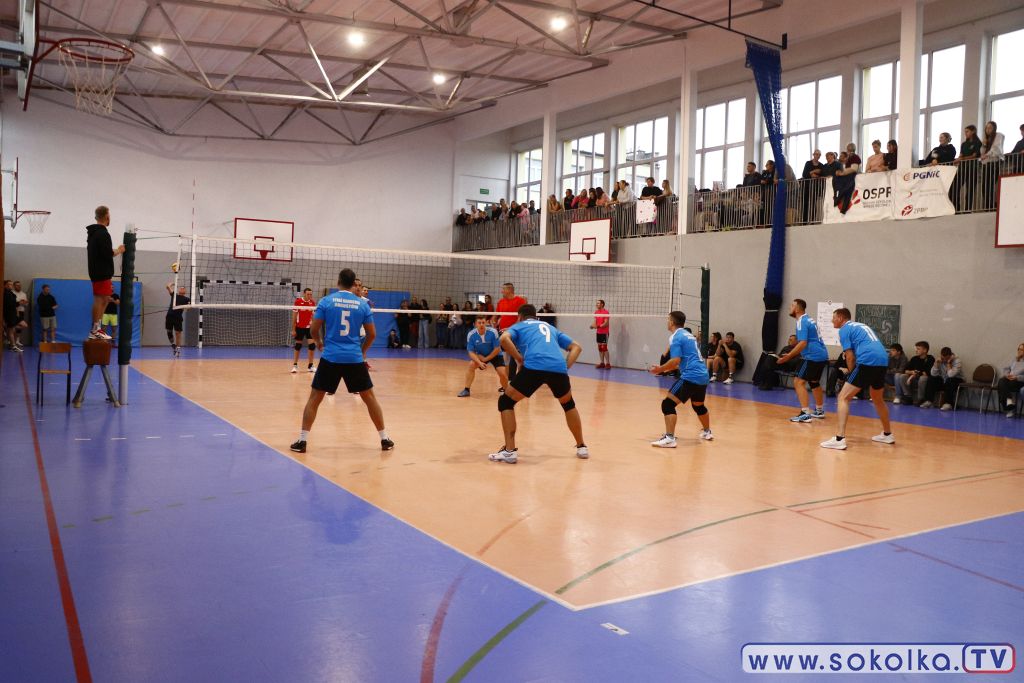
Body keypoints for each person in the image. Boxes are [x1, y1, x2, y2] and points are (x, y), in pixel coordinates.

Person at [291, 268, 392, 454]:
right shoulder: (362, 304)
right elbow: (372, 334)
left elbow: (313, 330)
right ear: (354, 284)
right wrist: (362, 352)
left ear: (338, 281)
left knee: (315, 398)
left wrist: (319, 343)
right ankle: (384, 439)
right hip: (354, 358)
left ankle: (302, 441)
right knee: (370, 399)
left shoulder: (326, 301)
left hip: (331, 357)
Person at [488, 304, 587, 463]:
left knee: (506, 401)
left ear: (520, 316)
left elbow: (503, 339)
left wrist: (519, 359)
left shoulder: (519, 325)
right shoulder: (550, 327)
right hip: (558, 368)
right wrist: (564, 367)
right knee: (568, 404)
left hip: (534, 366)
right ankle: (582, 447)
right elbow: (577, 347)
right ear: (535, 316)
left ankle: (509, 451)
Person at [820, 308, 893, 450]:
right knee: (877, 398)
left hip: (868, 361)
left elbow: (850, 356)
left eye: (833, 317)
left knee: (843, 397)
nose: (832, 320)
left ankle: (839, 439)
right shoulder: (860, 325)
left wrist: (850, 373)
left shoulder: (844, 329)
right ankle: (887, 434)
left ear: (840, 318)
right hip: (883, 360)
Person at [647, 311, 713, 447]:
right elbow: (686, 360)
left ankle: (669, 438)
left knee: (668, 404)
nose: (667, 322)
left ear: (672, 322)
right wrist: (667, 369)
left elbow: (675, 360)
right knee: (698, 405)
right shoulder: (689, 335)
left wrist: (660, 369)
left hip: (691, 376)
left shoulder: (675, 336)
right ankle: (707, 432)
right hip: (703, 374)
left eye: (668, 320)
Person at [775, 298, 829, 422]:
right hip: (822, 354)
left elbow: (803, 343)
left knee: (798, 382)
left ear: (798, 308)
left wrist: (789, 356)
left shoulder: (801, 321)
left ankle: (805, 413)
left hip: (812, 356)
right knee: (814, 382)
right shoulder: (809, 319)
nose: (790, 307)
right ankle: (819, 410)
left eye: (792, 305)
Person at [87, 205, 125, 340]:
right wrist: (120, 250)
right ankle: (94, 330)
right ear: (107, 216)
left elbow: (103, 252)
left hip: (99, 271)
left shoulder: (94, 233)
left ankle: (97, 329)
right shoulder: (102, 233)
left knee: (105, 299)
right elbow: (108, 253)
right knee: (99, 299)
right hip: (101, 272)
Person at [458, 316, 509, 397]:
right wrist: (479, 362)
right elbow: (471, 352)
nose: (481, 325)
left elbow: (497, 349)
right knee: (471, 365)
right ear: (475, 324)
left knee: (502, 373)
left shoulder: (493, 332)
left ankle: (506, 391)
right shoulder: (471, 335)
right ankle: (466, 390)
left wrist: (486, 359)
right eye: (479, 323)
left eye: (483, 323)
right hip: (481, 355)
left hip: (495, 354)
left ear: (486, 323)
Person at [495, 282, 527, 379]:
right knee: (506, 359)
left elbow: (522, 317)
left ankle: (521, 380)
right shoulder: (501, 302)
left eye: (503, 289)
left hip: (516, 333)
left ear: (509, 290)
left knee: (518, 359)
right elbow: (497, 316)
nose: (502, 291)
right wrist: (493, 322)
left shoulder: (520, 301)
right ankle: (508, 382)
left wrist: (511, 328)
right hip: (503, 333)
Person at [950, 125, 982, 211]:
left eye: (967, 131)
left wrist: (962, 159)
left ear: (973, 131)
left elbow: (974, 155)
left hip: (973, 168)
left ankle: (967, 210)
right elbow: (961, 155)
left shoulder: (977, 143)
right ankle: (956, 209)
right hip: (962, 168)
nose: (965, 133)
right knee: (954, 187)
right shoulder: (964, 144)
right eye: (965, 132)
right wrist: (957, 159)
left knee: (970, 190)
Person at [894, 341, 934, 405]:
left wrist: (914, 374)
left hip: (924, 381)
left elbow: (927, 373)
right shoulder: (914, 358)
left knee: (923, 378)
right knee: (902, 376)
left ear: (925, 350)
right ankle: (908, 397)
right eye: (916, 349)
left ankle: (921, 399)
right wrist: (912, 372)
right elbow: (905, 370)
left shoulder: (930, 358)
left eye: (918, 349)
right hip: (914, 380)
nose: (916, 350)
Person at [979, 121, 1005, 209]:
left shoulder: (999, 135)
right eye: (986, 128)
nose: (988, 129)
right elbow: (982, 152)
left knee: (990, 185)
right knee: (984, 186)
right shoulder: (986, 139)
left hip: (995, 162)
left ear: (994, 128)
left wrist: (987, 155)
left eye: (990, 127)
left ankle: (991, 206)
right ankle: (988, 206)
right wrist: (984, 144)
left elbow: (996, 148)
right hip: (986, 163)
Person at [291, 287, 317, 373]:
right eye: (308, 294)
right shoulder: (298, 302)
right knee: (298, 346)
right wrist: (293, 329)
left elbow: (313, 316)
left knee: (312, 346)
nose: (309, 295)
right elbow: (294, 317)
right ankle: (295, 365)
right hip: (299, 327)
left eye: (311, 294)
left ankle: (310, 366)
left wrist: (314, 328)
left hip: (309, 327)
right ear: (304, 294)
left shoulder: (312, 303)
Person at [996, 343, 1024, 417]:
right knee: (1001, 381)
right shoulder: (1015, 359)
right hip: (1010, 379)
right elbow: (1007, 368)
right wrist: (1007, 374)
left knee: (1003, 385)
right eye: (1018, 349)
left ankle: (1007, 406)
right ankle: (1010, 406)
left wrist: (1017, 377)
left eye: (1021, 349)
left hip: (1019, 381)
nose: (1019, 351)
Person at [833, 143, 861, 214]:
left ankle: (838, 201)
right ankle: (842, 209)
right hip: (848, 176)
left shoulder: (855, 157)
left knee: (845, 192)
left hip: (850, 176)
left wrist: (842, 173)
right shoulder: (850, 157)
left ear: (848, 149)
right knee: (847, 193)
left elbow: (854, 169)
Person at [165, 283, 189, 357]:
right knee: (169, 331)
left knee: (178, 333)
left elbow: (189, 307)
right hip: (169, 316)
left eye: (183, 288)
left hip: (178, 317)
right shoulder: (174, 295)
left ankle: (178, 350)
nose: (182, 289)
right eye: (181, 288)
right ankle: (173, 345)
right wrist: (173, 283)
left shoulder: (187, 299)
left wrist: (185, 307)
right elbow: (167, 286)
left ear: (185, 291)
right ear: (179, 290)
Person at [3, 280, 27, 351]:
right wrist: (19, 303)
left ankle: (8, 334)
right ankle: (13, 346)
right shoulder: (5, 293)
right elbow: (9, 304)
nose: (10, 286)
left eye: (11, 284)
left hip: (14, 313)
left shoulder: (10, 293)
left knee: (21, 326)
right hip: (9, 314)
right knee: (11, 330)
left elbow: (14, 304)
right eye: (8, 284)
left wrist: (20, 303)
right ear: (5, 285)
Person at [590, 299, 611, 369]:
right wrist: (592, 326)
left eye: (598, 303)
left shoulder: (606, 312)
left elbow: (606, 323)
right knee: (600, 348)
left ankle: (608, 363)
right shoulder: (596, 312)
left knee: (604, 348)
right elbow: (595, 322)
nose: (597, 304)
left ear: (602, 304)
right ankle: (602, 363)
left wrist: (598, 326)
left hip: (604, 332)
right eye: (596, 303)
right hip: (598, 332)